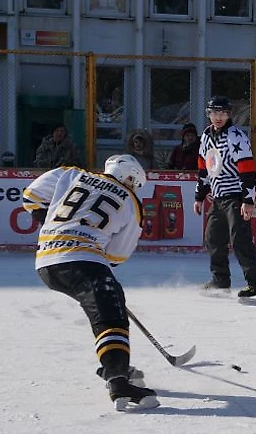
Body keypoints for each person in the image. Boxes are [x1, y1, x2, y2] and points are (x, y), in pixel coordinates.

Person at [21, 154, 158, 411]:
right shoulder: (130, 200)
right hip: (83, 259)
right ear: (130, 177)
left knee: (105, 303)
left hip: (47, 261)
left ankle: (113, 362)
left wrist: (57, 228)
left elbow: (31, 196)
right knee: (110, 311)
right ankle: (118, 380)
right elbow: (117, 256)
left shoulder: (71, 174)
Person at [194, 96, 256, 300]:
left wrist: (248, 200)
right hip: (217, 197)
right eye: (214, 113)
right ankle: (220, 280)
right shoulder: (206, 137)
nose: (218, 117)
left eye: (222, 113)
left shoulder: (236, 137)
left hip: (236, 196)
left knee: (240, 240)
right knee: (213, 238)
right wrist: (199, 196)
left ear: (229, 115)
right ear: (208, 115)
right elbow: (204, 167)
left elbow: (247, 169)